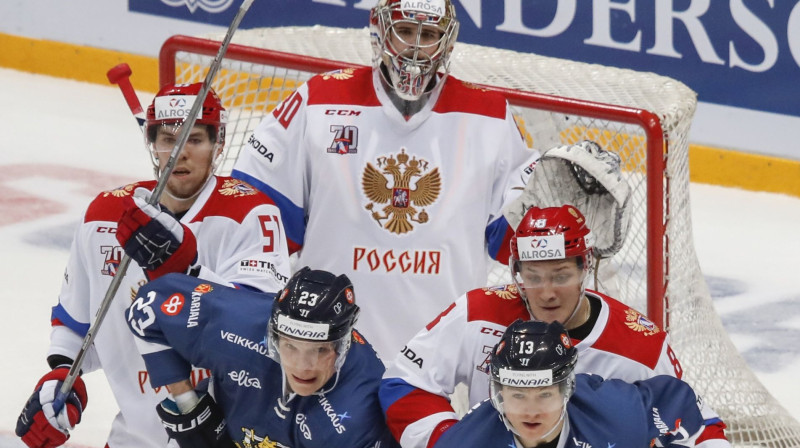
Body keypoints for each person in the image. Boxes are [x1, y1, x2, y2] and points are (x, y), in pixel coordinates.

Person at [230, 0, 540, 360]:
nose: (417, 46)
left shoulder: (490, 117)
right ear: (379, 31)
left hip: (442, 361)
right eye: (406, 31)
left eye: (431, 34)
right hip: (324, 351)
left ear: (448, 41)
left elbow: (517, 244)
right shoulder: (318, 102)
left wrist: (560, 219)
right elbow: (253, 216)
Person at [15, 83, 291, 448]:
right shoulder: (105, 217)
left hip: (223, 435)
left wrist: (188, 270)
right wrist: (62, 378)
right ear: (153, 143)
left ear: (218, 144)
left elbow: (263, 331)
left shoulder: (252, 214)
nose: (180, 153)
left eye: (194, 140)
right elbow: (77, 325)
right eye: (169, 139)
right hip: (134, 437)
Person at [379, 204, 730, 447]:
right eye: (533, 277)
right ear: (516, 272)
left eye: (561, 276)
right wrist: (454, 440)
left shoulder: (640, 347)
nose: (546, 293)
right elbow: (405, 382)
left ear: (585, 268)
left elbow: (690, 422)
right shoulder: (479, 312)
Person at [124, 267, 400, 448]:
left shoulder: (362, 409)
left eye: (320, 350)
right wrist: (185, 401)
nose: (303, 367)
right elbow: (148, 304)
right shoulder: (235, 323)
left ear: (343, 344)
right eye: (290, 346)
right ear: (274, 333)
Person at [434, 319, 724, 448]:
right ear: (498, 394)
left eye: (544, 394)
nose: (530, 412)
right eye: (518, 395)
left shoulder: (619, 412)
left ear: (566, 391)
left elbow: (692, 413)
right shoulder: (465, 442)